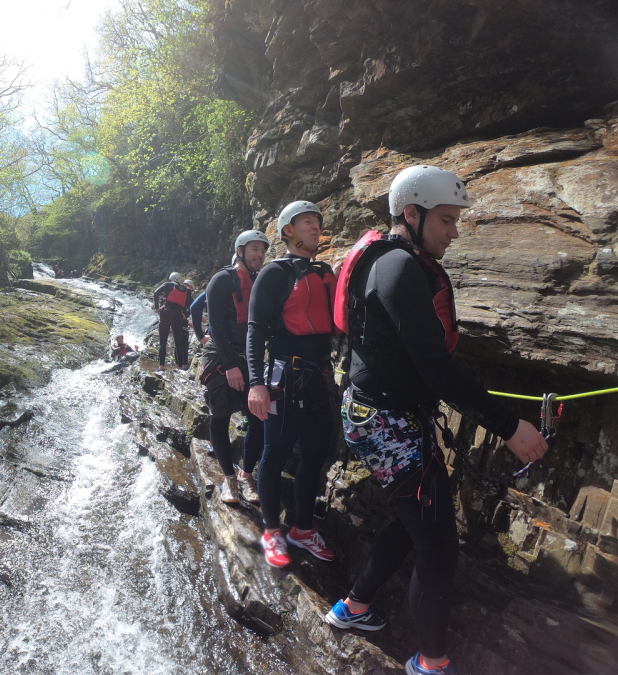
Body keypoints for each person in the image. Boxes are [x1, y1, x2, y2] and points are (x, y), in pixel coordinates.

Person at [326, 165, 549, 675]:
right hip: (386, 424)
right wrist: (509, 425)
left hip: (378, 415)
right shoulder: (399, 269)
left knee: (417, 522)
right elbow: (437, 367)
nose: (454, 230)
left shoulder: (389, 260)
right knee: (439, 545)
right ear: (412, 214)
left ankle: (354, 607)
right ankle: (431, 663)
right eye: (447, 220)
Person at [247, 201, 338, 568]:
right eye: (306, 222)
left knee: (315, 455)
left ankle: (302, 528)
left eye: (317, 222)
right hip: (284, 377)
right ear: (288, 230)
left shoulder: (324, 271)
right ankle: (271, 530)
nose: (315, 227)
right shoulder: (274, 274)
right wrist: (256, 383)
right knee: (275, 455)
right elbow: (254, 331)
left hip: (320, 376)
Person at [199, 230, 270, 503]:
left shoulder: (260, 280)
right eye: (254, 249)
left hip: (249, 357)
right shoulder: (222, 279)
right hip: (221, 357)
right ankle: (228, 479)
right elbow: (215, 325)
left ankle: (245, 473)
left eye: (262, 250)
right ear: (240, 251)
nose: (259, 255)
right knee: (221, 416)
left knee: (258, 418)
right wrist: (230, 366)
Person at [153, 272, 192, 372]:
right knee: (178, 342)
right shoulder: (186, 290)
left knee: (163, 342)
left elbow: (156, 293)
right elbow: (192, 304)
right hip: (178, 315)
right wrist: (186, 315)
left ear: (171, 278)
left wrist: (157, 308)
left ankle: (162, 366)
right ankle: (180, 367)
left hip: (166, 313)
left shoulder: (167, 284)